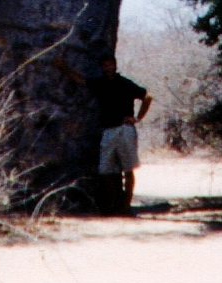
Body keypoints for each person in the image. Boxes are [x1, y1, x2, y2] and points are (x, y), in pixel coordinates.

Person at [55, 49, 153, 211]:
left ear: (115, 65)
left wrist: (138, 118)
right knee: (106, 171)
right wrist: (63, 67)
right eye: (105, 66)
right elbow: (80, 80)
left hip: (124, 130)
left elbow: (147, 96)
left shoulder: (125, 83)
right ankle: (114, 205)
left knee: (128, 169)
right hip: (108, 131)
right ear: (102, 68)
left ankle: (125, 206)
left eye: (110, 65)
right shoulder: (99, 84)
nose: (108, 68)